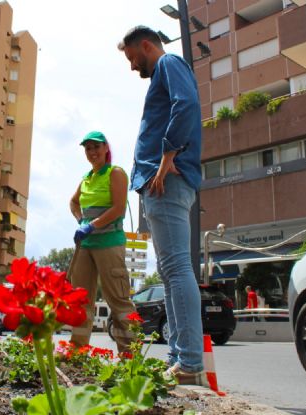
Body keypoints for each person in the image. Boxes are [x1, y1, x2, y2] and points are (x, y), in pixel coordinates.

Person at [118, 26, 205, 385]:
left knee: (176, 268)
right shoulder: (166, 69)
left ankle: (189, 363)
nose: (132, 65)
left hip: (166, 178)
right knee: (170, 274)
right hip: (160, 182)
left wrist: (168, 153)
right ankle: (178, 358)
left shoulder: (169, 62)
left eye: (132, 57)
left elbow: (186, 105)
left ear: (146, 46)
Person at [68, 131, 137, 353]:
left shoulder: (115, 173)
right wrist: (81, 221)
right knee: (80, 301)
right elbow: (73, 202)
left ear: (106, 148)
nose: (92, 152)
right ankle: (77, 350)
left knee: (118, 300)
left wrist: (92, 225)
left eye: (96, 147)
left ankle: (129, 355)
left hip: (109, 244)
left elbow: (117, 208)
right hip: (86, 246)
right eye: (88, 148)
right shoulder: (86, 178)